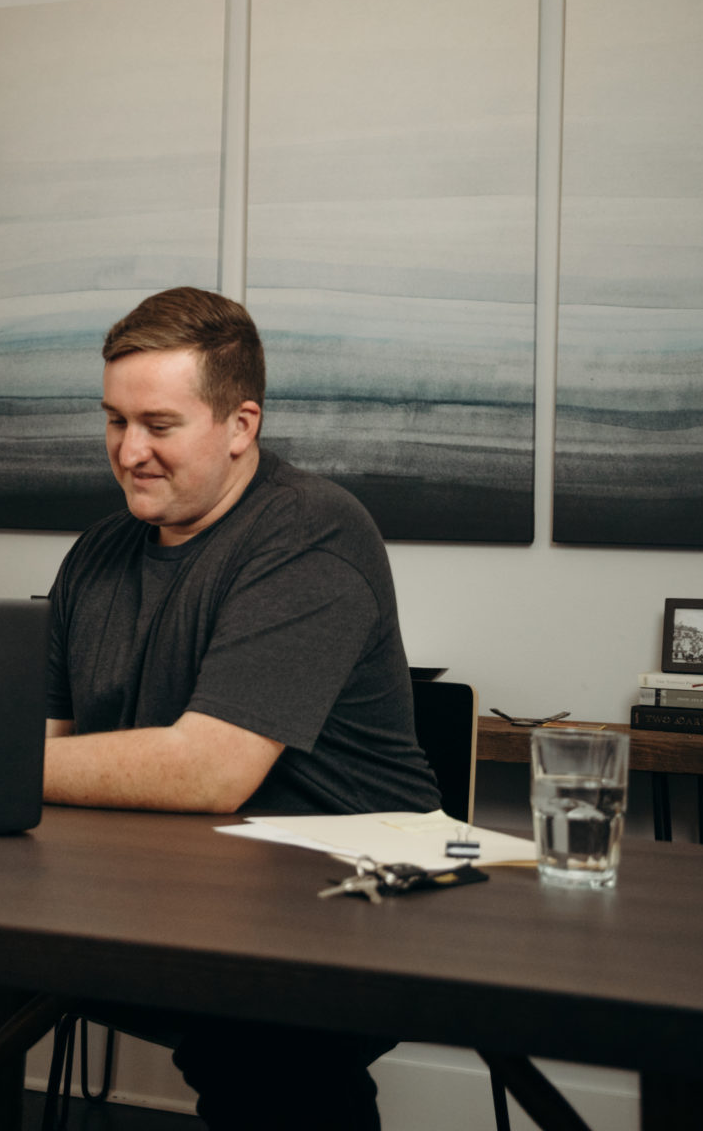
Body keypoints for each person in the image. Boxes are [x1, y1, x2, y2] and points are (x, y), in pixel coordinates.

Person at [41, 285, 441, 1128]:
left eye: (159, 425)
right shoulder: (99, 551)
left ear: (240, 426)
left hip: (344, 909)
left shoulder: (314, 531)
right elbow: (49, 740)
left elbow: (210, 769)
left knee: (264, 1040)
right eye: (114, 421)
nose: (128, 451)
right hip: (157, 886)